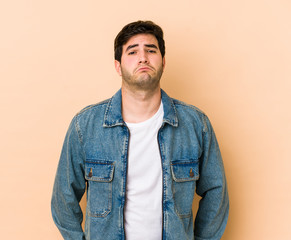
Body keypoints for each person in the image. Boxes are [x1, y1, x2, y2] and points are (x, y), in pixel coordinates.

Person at [51, 20, 229, 240]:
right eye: (132, 51)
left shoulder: (195, 124)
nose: (143, 57)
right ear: (118, 66)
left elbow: (216, 191)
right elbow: (63, 200)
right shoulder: (85, 126)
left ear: (163, 62)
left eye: (151, 50)